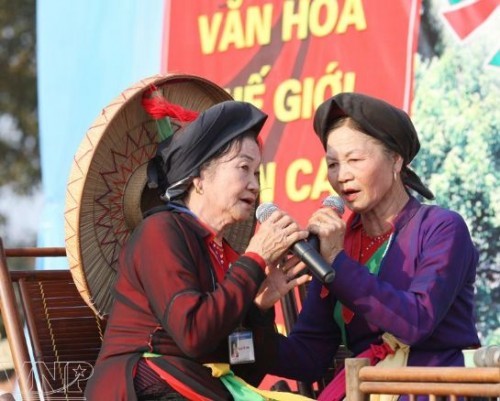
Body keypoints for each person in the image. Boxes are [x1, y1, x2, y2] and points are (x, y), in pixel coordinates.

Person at [84, 98, 313, 401]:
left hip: (196, 383)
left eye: (257, 173)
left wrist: (259, 306)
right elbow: (193, 334)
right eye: (244, 168)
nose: (255, 185)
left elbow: (244, 370)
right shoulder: (160, 232)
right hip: (142, 385)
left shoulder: (222, 252)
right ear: (199, 178)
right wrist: (255, 258)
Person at [266, 93, 481, 400]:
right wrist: (249, 319)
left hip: (430, 390)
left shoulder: (442, 228)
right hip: (362, 389)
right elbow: (309, 356)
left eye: (355, 160)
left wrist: (337, 261)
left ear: (396, 160)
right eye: (332, 164)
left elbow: (415, 322)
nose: (342, 176)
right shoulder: (338, 242)